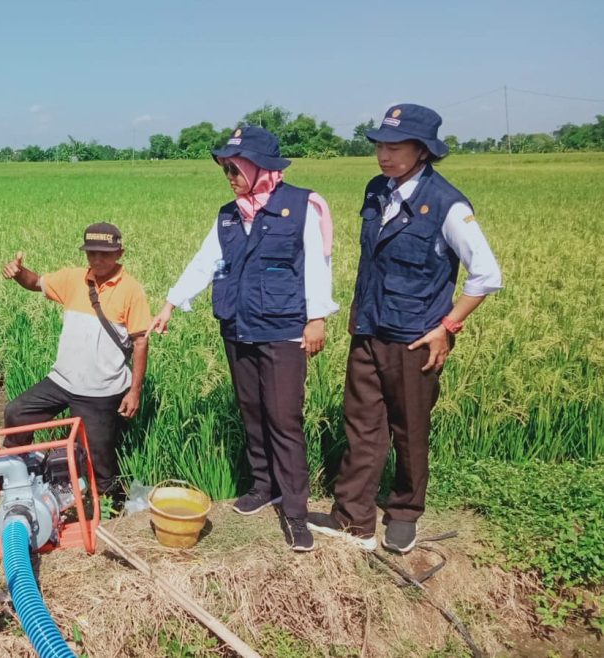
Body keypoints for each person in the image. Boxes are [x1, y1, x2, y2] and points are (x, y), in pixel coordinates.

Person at [308, 104, 503, 554]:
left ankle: (404, 514)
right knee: (361, 424)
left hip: (416, 337)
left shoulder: (448, 205)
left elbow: (487, 275)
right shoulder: (378, 191)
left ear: (423, 151)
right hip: (369, 328)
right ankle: (353, 517)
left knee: (409, 429)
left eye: (395, 147)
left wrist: (448, 326)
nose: (384, 155)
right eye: (380, 145)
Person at [149, 126, 337, 552]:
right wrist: (170, 304)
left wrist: (317, 318)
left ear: (262, 167)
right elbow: (204, 262)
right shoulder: (230, 214)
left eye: (236, 167)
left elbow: (317, 266)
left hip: (285, 328)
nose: (230, 175)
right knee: (252, 410)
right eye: (225, 168)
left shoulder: (301, 207)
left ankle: (295, 512)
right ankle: (263, 484)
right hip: (238, 326)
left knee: (284, 418)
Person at [1, 223, 150, 501]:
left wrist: (135, 390)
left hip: (101, 390)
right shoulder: (73, 279)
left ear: (120, 253)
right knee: (16, 413)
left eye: (105, 254)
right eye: (91, 253)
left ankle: (109, 509)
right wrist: (19, 273)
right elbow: (36, 283)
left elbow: (141, 341)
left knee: (99, 461)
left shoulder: (132, 290)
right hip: (63, 379)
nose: (97, 260)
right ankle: (15, 471)